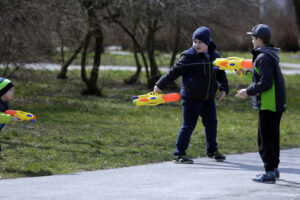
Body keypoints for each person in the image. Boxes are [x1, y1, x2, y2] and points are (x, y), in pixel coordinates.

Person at [153, 26, 229, 164]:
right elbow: (174, 72)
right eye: (195, 41)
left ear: (208, 42)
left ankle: (212, 150)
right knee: (188, 125)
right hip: (191, 98)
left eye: (200, 42)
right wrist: (159, 85)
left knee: (212, 124)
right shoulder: (188, 56)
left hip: (208, 98)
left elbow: (221, 74)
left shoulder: (215, 56)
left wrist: (223, 88)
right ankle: (179, 154)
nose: (197, 45)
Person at [235, 24, 286, 184]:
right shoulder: (268, 54)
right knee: (272, 138)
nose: (251, 40)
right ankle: (273, 169)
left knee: (264, 140)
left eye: (252, 38)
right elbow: (263, 74)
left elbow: (266, 83)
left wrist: (247, 91)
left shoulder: (263, 57)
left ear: (259, 39)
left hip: (268, 104)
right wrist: (248, 72)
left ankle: (269, 171)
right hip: (275, 103)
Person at [0, 77, 19, 151]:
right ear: (2, 91)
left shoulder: (4, 103)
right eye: (10, 90)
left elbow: (4, 113)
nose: (13, 92)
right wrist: (11, 118)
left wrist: (14, 114)